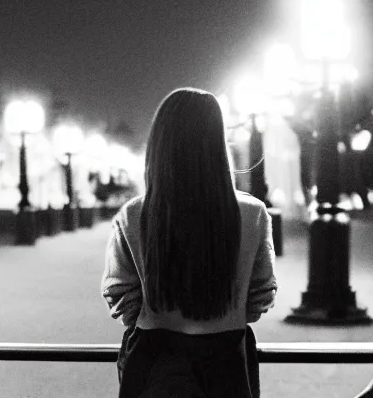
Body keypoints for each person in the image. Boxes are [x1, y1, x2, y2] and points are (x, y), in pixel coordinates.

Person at [101, 88, 277, 398]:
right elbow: (262, 293)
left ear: (159, 145)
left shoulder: (133, 215)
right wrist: (229, 311)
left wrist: (151, 313)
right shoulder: (253, 214)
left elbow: (117, 291)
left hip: (154, 360)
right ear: (217, 143)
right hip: (226, 364)